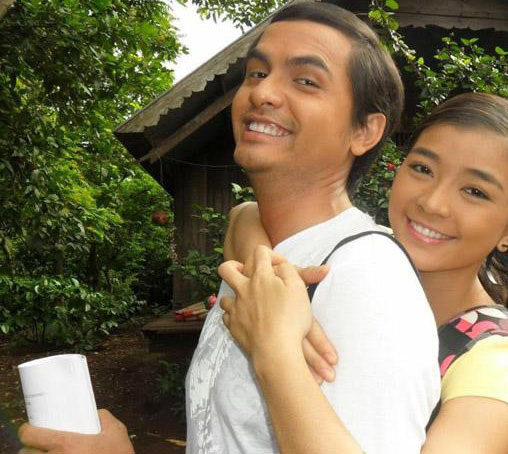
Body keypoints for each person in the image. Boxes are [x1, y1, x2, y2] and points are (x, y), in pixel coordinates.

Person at [18, 3, 440, 453]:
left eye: (305, 81)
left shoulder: (365, 279)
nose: (263, 93)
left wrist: (273, 352)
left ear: (364, 131)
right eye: (257, 73)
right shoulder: (263, 257)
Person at [219, 92, 508, 453]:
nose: (432, 203)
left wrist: (275, 349)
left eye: (474, 191)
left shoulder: (497, 362)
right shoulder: (360, 256)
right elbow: (245, 214)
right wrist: (267, 275)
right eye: (423, 169)